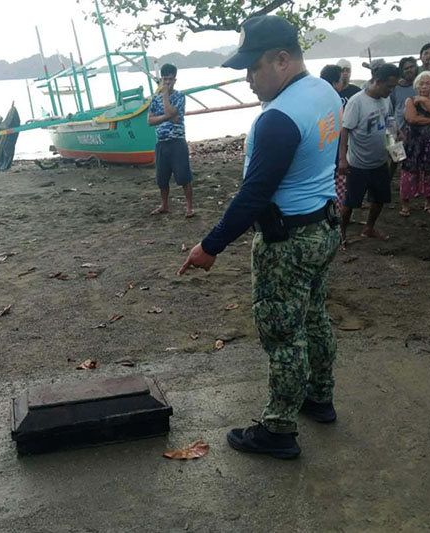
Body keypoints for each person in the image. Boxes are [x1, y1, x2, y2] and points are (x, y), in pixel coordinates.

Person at [178, 15, 342, 460]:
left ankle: (278, 430)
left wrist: (209, 246)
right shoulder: (325, 92)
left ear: (282, 59)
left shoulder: (279, 119)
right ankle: (319, 398)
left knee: (284, 334)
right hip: (324, 227)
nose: (248, 80)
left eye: (253, 69)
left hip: (287, 243)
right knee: (314, 318)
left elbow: (253, 194)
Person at [339, 63, 400, 246]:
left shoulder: (385, 99)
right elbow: (345, 130)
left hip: (380, 160)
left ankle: (369, 227)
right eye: (389, 86)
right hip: (358, 162)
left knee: (380, 197)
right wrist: (343, 158)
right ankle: (341, 234)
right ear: (378, 81)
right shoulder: (357, 101)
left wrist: (396, 145)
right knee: (350, 202)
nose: (391, 90)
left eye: (394, 87)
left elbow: (388, 122)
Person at [147, 63, 194, 217]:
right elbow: (150, 121)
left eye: (170, 79)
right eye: (165, 79)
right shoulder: (154, 99)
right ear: (161, 79)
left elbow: (174, 112)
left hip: (177, 141)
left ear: (175, 80)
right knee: (162, 177)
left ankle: (189, 207)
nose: (167, 82)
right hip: (161, 142)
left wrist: (165, 95)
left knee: (183, 175)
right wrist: (167, 117)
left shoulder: (180, 97)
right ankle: (164, 205)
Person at [399, 71, 430, 216]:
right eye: (421, 83)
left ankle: (429, 203)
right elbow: (412, 119)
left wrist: (425, 102)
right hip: (414, 142)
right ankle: (406, 205)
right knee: (409, 173)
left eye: (427, 83)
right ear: (416, 86)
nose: (424, 86)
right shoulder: (410, 101)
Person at [321, 64, 347, 207]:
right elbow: (342, 129)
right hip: (334, 153)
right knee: (336, 191)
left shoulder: (315, 99)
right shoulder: (334, 100)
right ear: (334, 83)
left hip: (321, 157)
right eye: (341, 81)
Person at [390, 57, 418, 132]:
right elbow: (391, 109)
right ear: (402, 71)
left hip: (418, 128)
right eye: (406, 68)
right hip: (400, 131)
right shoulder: (395, 88)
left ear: (416, 68)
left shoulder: (421, 86)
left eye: (411, 67)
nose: (409, 70)